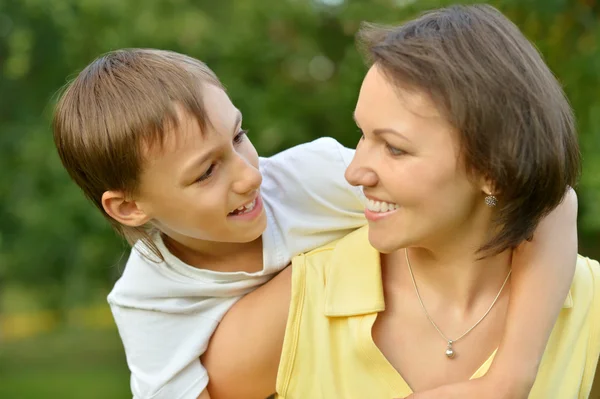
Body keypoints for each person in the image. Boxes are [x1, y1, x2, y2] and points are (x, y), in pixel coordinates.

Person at [53, 41, 577, 399]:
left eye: (238, 136)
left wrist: (509, 378)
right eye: (206, 172)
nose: (248, 176)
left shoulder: (311, 179)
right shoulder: (150, 298)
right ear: (129, 207)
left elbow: (550, 200)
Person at [201, 5, 598, 399]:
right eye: (362, 134)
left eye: (394, 148)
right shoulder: (296, 308)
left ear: (492, 171)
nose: (355, 172)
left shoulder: (589, 310)